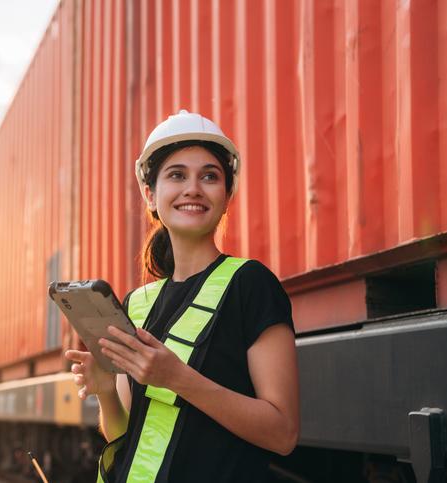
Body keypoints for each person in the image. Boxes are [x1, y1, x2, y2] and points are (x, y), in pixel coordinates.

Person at [65, 110, 299, 482]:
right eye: (177, 175)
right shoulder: (136, 304)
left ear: (226, 196)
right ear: (150, 195)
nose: (193, 188)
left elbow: (283, 433)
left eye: (210, 176)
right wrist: (106, 391)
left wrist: (177, 378)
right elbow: (124, 435)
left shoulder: (251, 284)